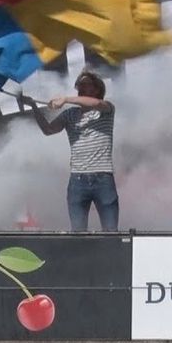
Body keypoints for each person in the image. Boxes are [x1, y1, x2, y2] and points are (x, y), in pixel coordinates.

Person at [25, 71, 119, 232]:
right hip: (78, 179)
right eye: (79, 85)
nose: (81, 88)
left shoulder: (106, 108)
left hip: (103, 178)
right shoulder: (69, 114)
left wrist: (66, 99)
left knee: (111, 232)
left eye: (86, 84)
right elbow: (48, 130)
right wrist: (33, 107)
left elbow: (95, 103)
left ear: (97, 89)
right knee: (78, 232)